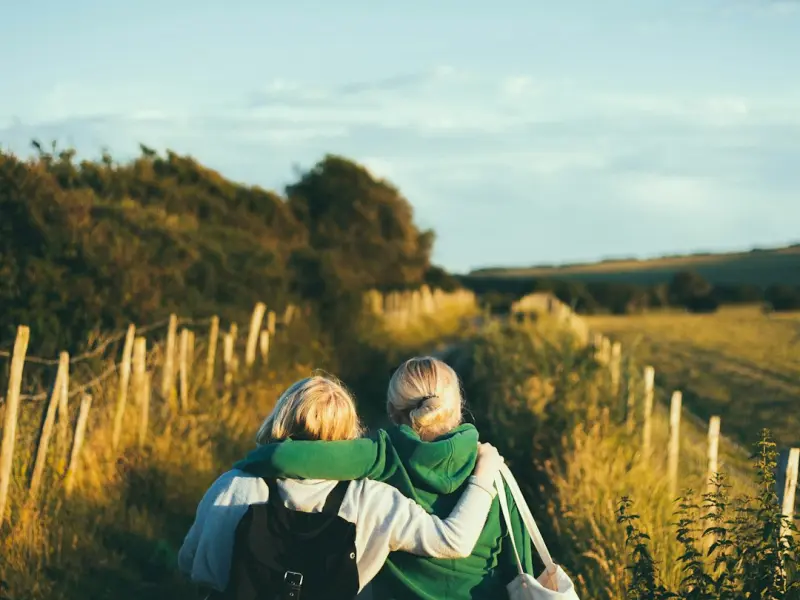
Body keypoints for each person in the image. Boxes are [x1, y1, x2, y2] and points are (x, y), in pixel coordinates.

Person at [234, 357, 537, 600]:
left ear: (392, 411)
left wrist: (243, 465)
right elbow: (521, 569)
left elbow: (280, 458)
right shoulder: (492, 470)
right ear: (457, 407)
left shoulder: (382, 455)